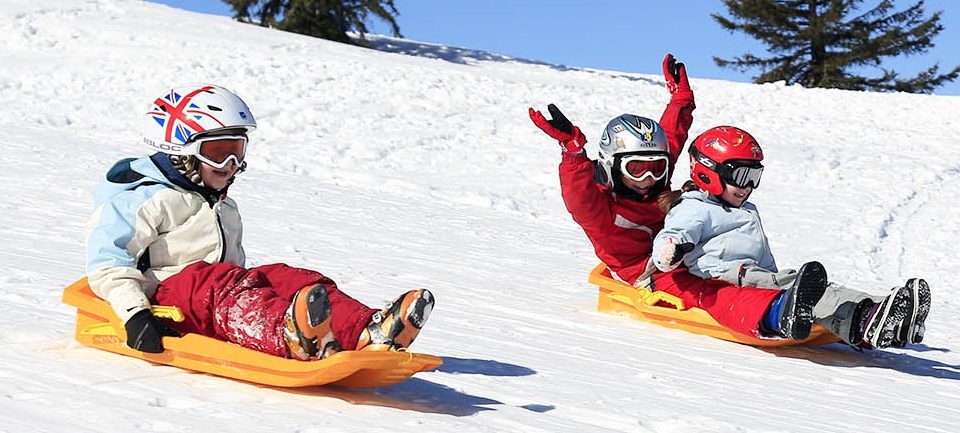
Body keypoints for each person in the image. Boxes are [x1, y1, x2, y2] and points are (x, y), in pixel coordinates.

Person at [85, 84, 435, 360]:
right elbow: (107, 265)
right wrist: (135, 315)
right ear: (180, 153)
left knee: (286, 277)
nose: (231, 164)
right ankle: (287, 334)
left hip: (214, 295)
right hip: (163, 301)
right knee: (217, 282)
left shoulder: (222, 205)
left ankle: (365, 331)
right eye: (218, 153)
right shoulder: (142, 199)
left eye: (238, 151)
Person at [529, 54, 813, 340]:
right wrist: (573, 150)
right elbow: (577, 195)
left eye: (657, 168)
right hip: (650, 273)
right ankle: (774, 313)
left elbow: (673, 135)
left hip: (687, 249)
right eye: (636, 169)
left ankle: (806, 299)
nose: (648, 178)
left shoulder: (655, 185)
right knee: (706, 291)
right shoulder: (600, 209)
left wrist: (681, 98)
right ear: (611, 166)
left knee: (734, 264)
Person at [652, 125, 931, 348]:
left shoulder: (744, 209)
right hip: (728, 277)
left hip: (756, 274)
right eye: (741, 175)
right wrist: (670, 250)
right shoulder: (694, 207)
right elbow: (674, 234)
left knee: (822, 289)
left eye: (754, 176)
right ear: (707, 172)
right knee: (810, 292)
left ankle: (887, 313)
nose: (747, 186)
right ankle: (867, 317)